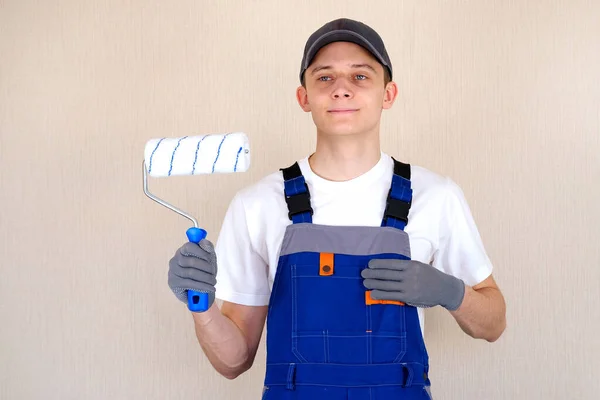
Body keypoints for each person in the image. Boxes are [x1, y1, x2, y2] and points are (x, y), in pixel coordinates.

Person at [168, 17, 506, 400]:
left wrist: (451, 291)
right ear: (304, 97)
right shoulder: (257, 204)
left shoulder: (436, 196)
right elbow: (233, 362)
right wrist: (203, 304)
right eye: (325, 78)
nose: (342, 90)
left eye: (360, 76)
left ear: (388, 94)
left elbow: (493, 324)